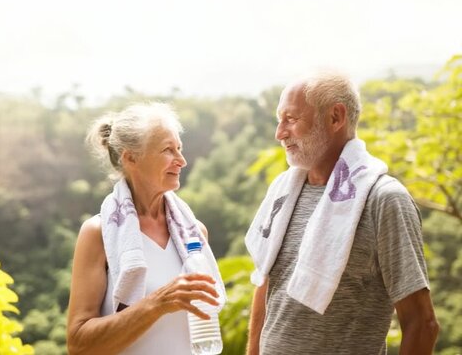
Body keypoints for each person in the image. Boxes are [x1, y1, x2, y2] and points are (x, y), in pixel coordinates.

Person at [245, 72, 439, 355]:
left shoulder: (383, 200)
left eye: (291, 119)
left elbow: (422, 323)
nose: (279, 133)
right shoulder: (282, 192)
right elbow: (264, 289)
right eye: (279, 119)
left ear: (335, 117)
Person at [67, 103, 224, 355]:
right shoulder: (98, 233)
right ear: (131, 158)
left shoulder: (194, 234)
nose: (181, 161)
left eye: (179, 149)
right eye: (167, 150)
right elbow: (79, 344)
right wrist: (157, 303)